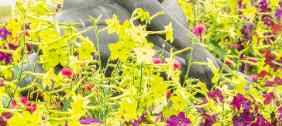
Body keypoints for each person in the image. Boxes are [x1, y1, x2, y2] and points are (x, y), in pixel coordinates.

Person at [56, 0, 219, 86]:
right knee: (67, 32)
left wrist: (196, 50)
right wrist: (194, 49)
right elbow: (141, 3)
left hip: (137, 33)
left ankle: (207, 75)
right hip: (91, 28)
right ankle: (205, 76)